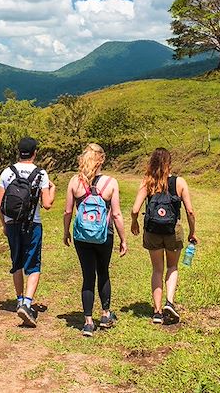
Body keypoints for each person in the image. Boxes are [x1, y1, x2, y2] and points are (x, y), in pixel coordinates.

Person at [63, 143, 127, 337]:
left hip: (82, 236)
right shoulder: (110, 183)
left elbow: (67, 211)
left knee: (87, 276)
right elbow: (116, 214)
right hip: (104, 235)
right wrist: (123, 239)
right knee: (103, 272)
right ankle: (106, 314)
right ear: (101, 160)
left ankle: (88, 322)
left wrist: (66, 232)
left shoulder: (74, 182)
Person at [130, 147, 197, 325]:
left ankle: (157, 312)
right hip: (172, 231)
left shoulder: (148, 182)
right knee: (172, 267)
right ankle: (169, 302)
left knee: (157, 270)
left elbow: (135, 209)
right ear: (169, 163)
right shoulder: (179, 182)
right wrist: (192, 232)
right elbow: (190, 211)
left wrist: (134, 222)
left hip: (152, 231)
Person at [0, 137, 56, 327]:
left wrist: (5, 225)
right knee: (33, 265)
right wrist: (53, 189)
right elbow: (46, 204)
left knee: (17, 263)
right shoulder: (41, 174)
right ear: (35, 152)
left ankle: (19, 300)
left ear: (18, 152)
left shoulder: (7, 172)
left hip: (12, 224)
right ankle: (28, 304)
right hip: (32, 224)